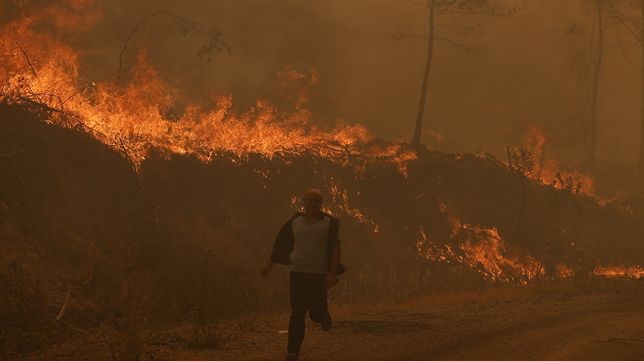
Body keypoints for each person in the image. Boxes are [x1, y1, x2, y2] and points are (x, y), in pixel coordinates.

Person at [261, 189, 342, 361]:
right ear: (304, 201)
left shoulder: (329, 223)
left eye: (316, 201)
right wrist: (270, 264)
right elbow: (282, 243)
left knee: (315, 315)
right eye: (310, 200)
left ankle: (323, 314)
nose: (313, 203)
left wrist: (332, 274)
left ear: (321, 204)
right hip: (297, 274)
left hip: (319, 275)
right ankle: (293, 352)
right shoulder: (295, 221)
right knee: (297, 312)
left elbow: (336, 249)